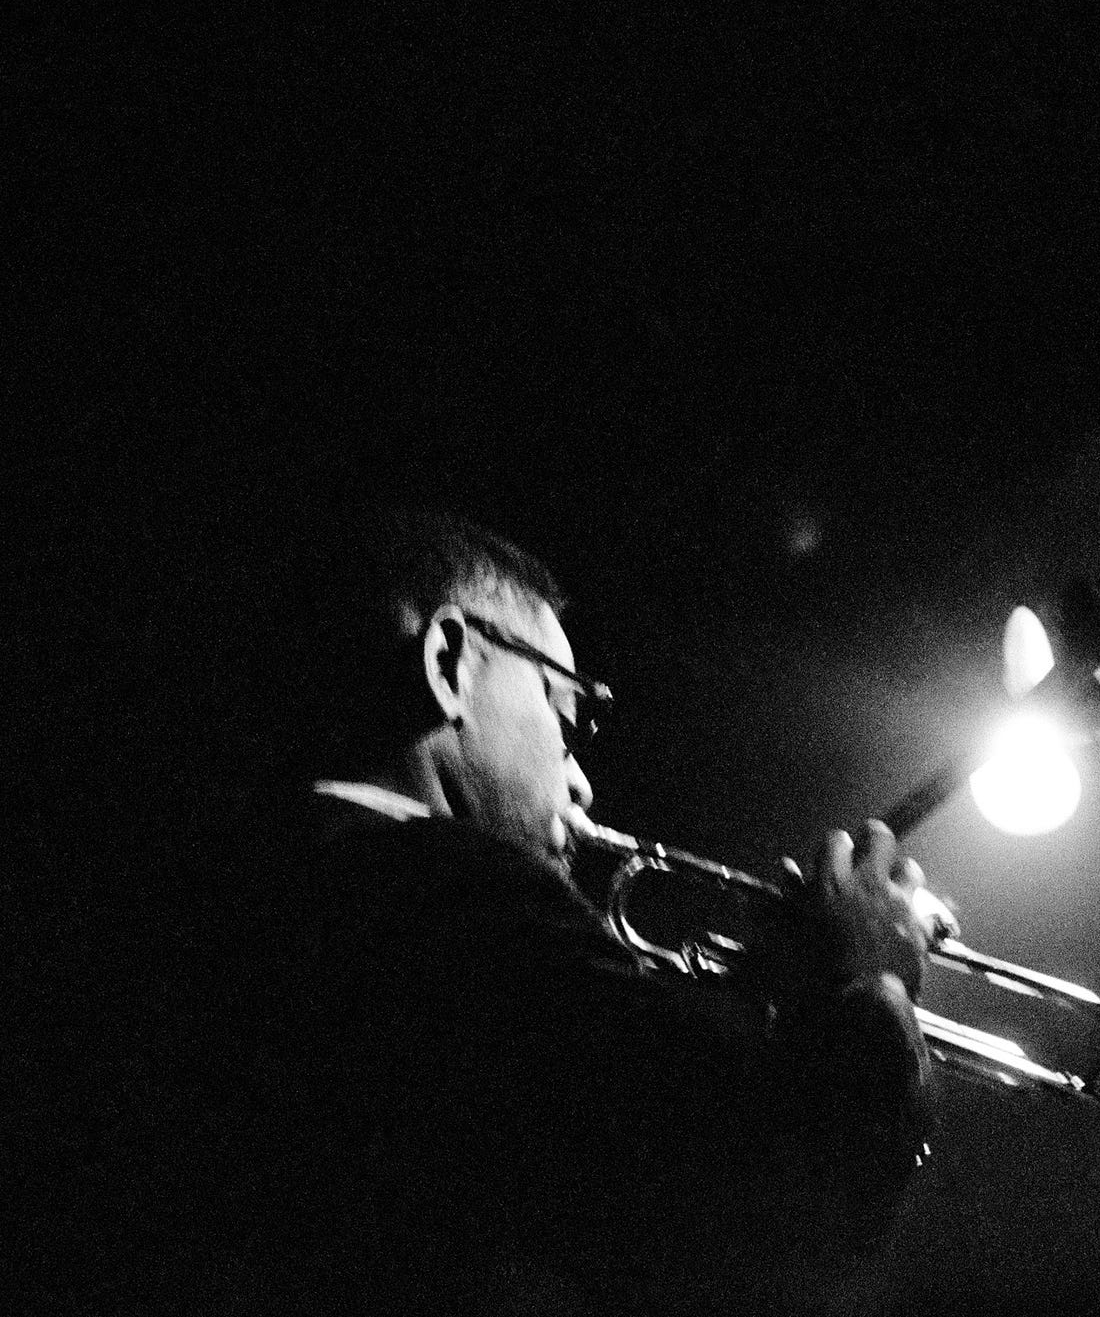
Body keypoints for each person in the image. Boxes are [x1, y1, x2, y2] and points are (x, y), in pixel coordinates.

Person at [221, 511, 934, 1315]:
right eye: (568, 714)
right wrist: (874, 985)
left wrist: (780, 1010)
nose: (582, 781)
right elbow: (772, 1230)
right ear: (449, 662)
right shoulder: (458, 898)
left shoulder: (281, 894)